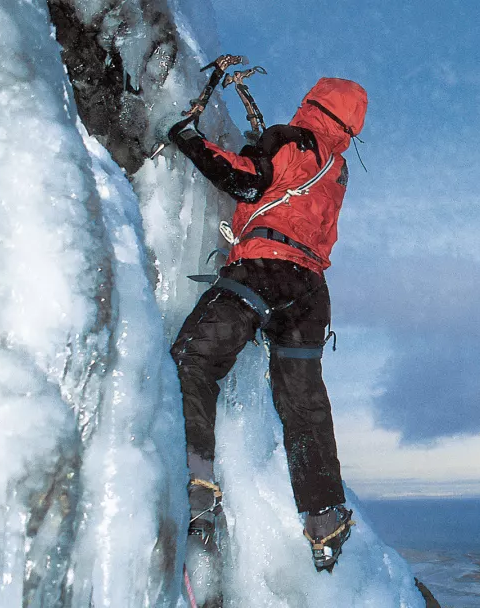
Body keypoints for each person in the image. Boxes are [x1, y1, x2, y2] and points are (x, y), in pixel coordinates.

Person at [167, 77, 368, 573]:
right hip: (309, 294)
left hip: (264, 271)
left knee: (196, 356)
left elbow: (248, 180)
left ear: (311, 103)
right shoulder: (337, 169)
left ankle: (197, 485)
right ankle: (325, 522)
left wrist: (189, 140)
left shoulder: (291, 138)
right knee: (302, 405)